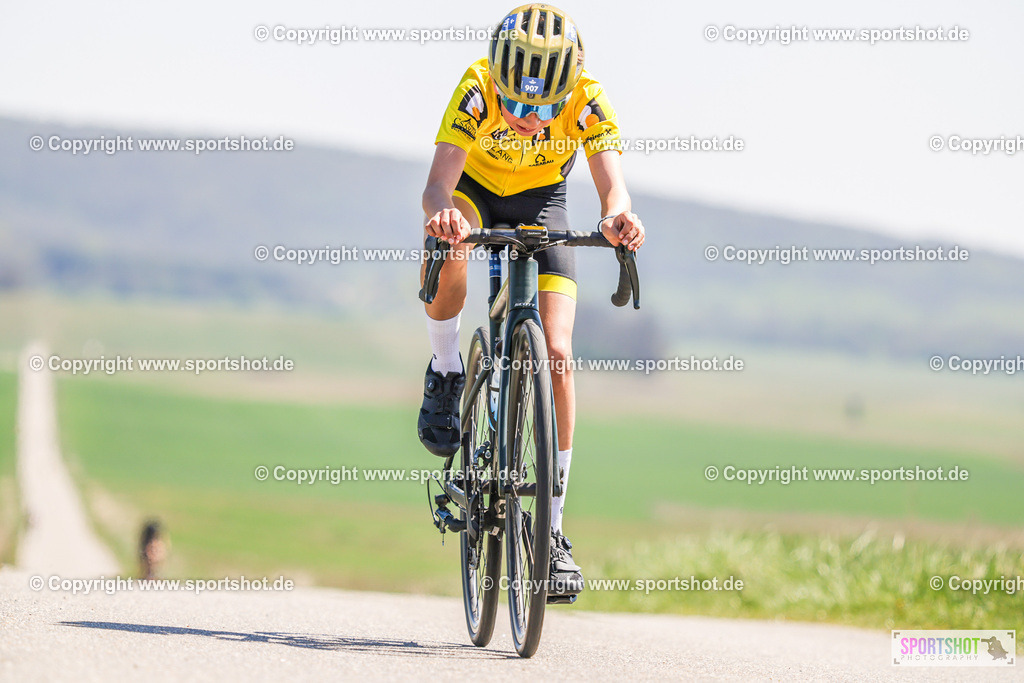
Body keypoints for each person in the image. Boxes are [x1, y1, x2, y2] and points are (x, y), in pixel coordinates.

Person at [417, 3, 645, 597]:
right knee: (448, 248)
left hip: (543, 204)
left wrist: (619, 217)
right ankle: (445, 369)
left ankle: (553, 533)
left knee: (560, 356)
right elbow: (438, 184)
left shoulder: (588, 98)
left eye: (540, 109)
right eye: (513, 103)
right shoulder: (475, 87)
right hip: (474, 193)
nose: (523, 118)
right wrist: (443, 214)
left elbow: (612, 186)